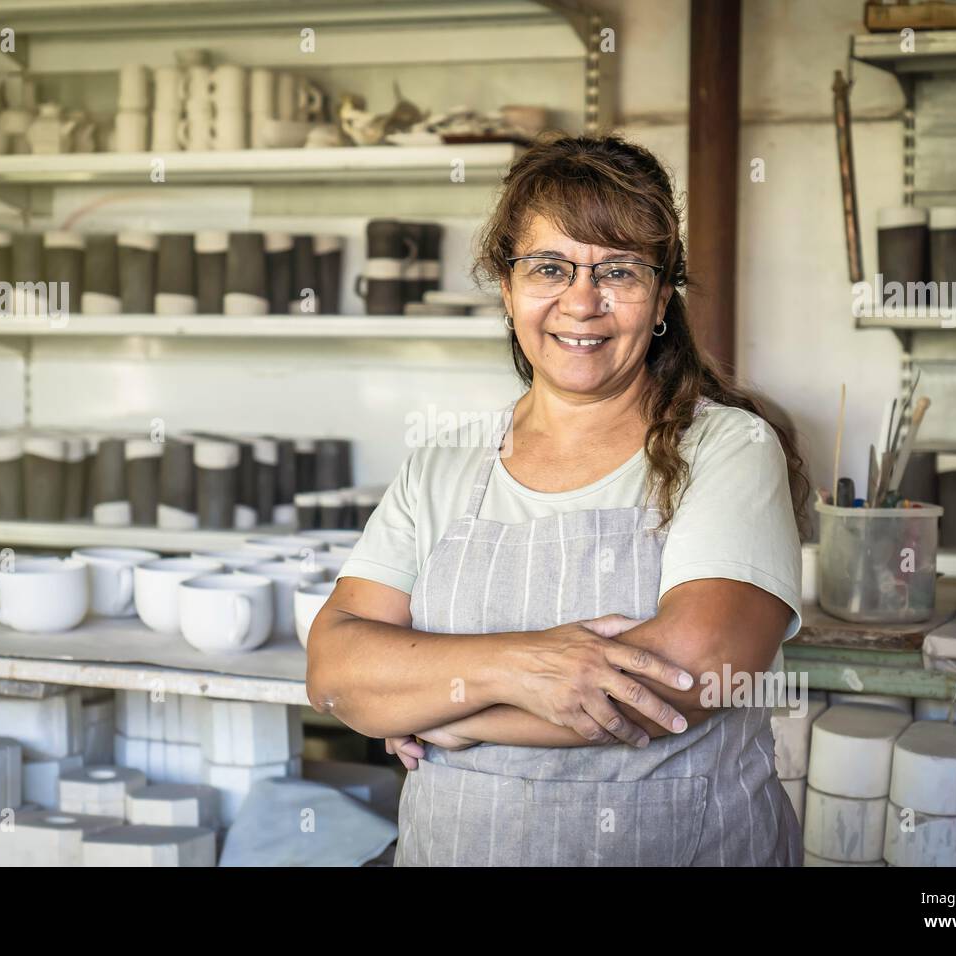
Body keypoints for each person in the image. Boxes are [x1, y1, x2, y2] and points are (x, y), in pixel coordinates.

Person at [306, 133, 809, 866]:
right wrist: (521, 669)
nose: (582, 300)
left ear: (661, 296)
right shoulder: (443, 463)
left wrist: (447, 707)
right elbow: (335, 670)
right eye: (549, 267)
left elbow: (695, 673)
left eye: (619, 271)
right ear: (506, 288)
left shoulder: (728, 448)